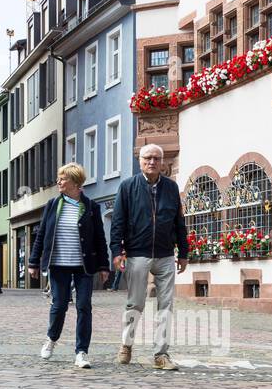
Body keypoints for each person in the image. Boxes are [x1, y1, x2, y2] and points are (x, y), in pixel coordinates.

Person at [109, 144, 188, 369]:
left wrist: (183, 252)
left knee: (166, 305)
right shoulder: (127, 187)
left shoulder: (171, 188)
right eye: (147, 158)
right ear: (139, 160)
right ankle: (126, 345)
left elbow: (179, 223)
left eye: (156, 158)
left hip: (165, 254)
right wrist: (117, 251)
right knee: (135, 302)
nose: (152, 162)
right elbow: (117, 223)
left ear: (162, 163)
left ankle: (161, 354)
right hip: (138, 253)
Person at [28, 163, 109, 369]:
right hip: (58, 264)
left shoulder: (91, 207)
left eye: (63, 179)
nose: (59, 182)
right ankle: (51, 339)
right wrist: (33, 262)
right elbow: (42, 235)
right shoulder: (53, 204)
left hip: (83, 266)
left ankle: (81, 352)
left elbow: (100, 238)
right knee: (60, 305)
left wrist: (104, 266)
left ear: (74, 182)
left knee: (84, 306)